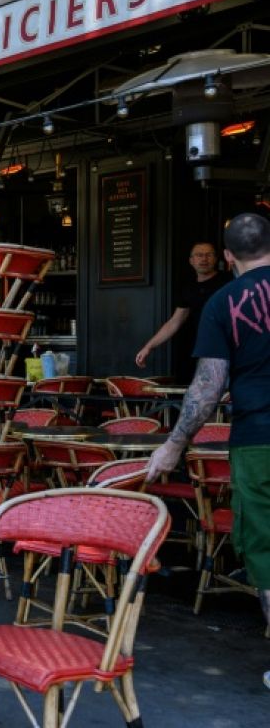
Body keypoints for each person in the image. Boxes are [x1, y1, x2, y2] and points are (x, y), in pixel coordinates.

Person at [146, 213, 270, 690]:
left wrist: (175, 444)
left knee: (266, 548)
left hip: (259, 439)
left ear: (227, 257)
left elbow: (208, 385)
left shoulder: (223, 301)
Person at [135, 241, 231, 381]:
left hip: (230, 348)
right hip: (203, 350)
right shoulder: (188, 288)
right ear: (191, 261)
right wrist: (149, 347)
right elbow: (175, 321)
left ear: (216, 259)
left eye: (209, 255)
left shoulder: (229, 281)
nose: (204, 259)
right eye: (199, 255)